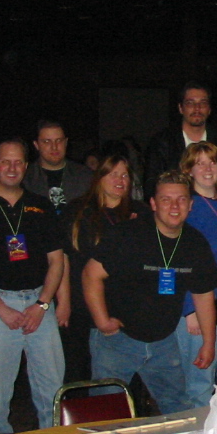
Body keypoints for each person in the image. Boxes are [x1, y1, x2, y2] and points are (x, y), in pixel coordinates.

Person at [83, 171, 217, 415]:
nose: (174, 206)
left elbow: (203, 294)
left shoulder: (195, 244)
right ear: (154, 204)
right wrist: (102, 321)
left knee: (178, 411)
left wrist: (209, 343)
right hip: (117, 341)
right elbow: (91, 275)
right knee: (106, 413)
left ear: (190, 205)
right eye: (166, 199)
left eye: (181, 199)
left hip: (163, 342)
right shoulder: (128, 234)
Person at [0, 138, 66, 434]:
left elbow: (57, 261)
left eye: (18, 162)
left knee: (52, 389)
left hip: (39, 305)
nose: (12, 167)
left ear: (26, 166)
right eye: (5, 161)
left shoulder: (41, 205)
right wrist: (1, 309)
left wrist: (42, 304)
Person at [60, 154, 147, 382]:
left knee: (122, 378)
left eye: (125, 175)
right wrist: (63, 303)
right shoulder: (77, 210)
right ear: (99, 177)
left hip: (123, 309)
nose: (120, 180)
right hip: (81, 307)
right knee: (79, 372)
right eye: (113, 174)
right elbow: (64, 259)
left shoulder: (140, 212)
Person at [177, 141, 217, 407]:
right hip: (198, 305)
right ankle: (200, 432)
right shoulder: (185, 207)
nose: (207, 168)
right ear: (189, 170)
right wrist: (189, 309)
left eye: (211, 162)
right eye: (199, 163)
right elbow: (177, 260)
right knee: (199, 381)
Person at [145, 83, 217, 198]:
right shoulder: (162, 143)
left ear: (209, 109)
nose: (197, 108)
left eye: (203, 103)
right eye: (190, 103)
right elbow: (151, 185)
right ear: (181, 108)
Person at [23, 120, 92, 217]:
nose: (54, 147)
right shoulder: (25, 178)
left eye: (59, 141)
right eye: (47, 142)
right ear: (36, 145)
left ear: (66, 142)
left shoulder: (85, 176)